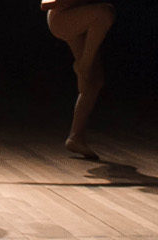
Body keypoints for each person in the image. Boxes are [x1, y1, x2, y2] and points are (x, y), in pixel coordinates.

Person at [43, 0, 113, 160]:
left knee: (94, 81)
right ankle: (83, 65)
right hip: (62, 19)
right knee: (105, 12)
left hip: (80, 16)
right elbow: (45, 4)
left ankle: (76, 137)